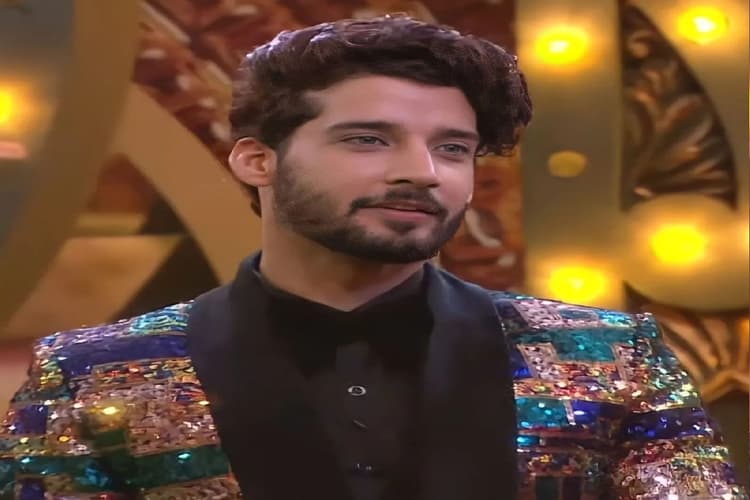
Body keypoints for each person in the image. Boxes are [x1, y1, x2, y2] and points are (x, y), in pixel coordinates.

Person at [0, 15, 745, 500]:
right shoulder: (91, 374)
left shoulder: (611, 356)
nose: (422, 172)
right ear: (258, 160)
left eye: (452, 149)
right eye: (368, 139)